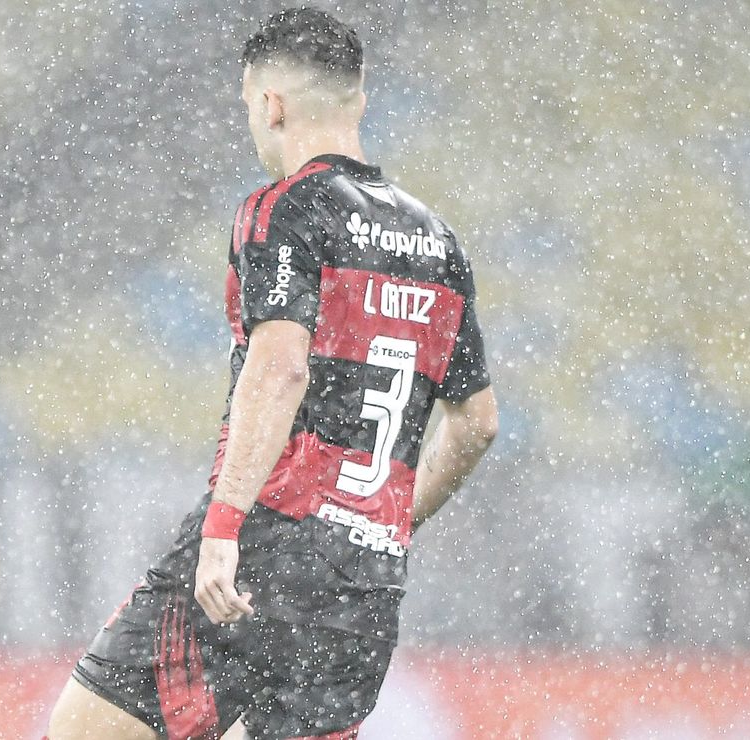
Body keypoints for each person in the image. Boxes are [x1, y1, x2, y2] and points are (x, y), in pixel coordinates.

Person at [48, 8, 497, 739]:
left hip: (270, 542)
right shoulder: (437, 241)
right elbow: (477, 423)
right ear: (361, 97)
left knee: (86, 732)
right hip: (365, 584)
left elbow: (281, 367)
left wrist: (224, 527)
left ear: (272, 104)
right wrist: (385, 525)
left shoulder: (284, 210)